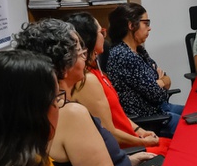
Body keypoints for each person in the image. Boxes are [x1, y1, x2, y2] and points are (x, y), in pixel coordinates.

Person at [14, 18, 159, 166]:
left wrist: (129, 160)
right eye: (79, 50)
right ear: (63, 63)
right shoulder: (70, 112)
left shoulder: (47, 105)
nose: (85, 55)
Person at [66, 12, 170, 156]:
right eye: (101, 32)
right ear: (89, 38)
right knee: (177, 150)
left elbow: (119, 115)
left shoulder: (98, 71)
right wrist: (142, 141)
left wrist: (140, 131)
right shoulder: (87, 80)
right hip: (125, 149)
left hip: (133, 139)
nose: (105, 36)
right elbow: (109, 132)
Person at [105, 3, 183, 138]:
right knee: (194, 126)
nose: (150, 28)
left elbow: (163, 77)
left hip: (159, 108)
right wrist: (161, 82)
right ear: (131, 25)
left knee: (196, 113)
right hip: (149, 119)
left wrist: (161, 82)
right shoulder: (123, 55)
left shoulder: (139, 50)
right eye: (146, 23)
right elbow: (157, 94)